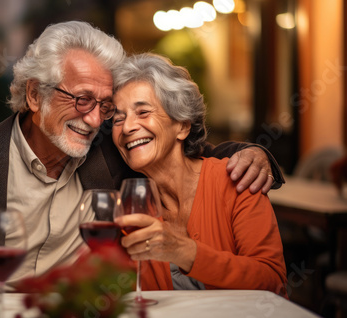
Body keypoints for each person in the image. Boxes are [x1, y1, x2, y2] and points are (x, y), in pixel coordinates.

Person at [0, 21, 284, 292]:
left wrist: (253, 152)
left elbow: (177, 148)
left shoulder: (110, 151)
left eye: (104, 105)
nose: (95, 119)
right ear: (34, 95)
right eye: (81, 99)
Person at [111, 53, 287, 295]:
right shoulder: (131, 206)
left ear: (182, 126)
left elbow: (272, 281)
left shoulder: (238, 180)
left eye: (143, 113)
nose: (127, 127)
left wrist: (184, 252)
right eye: (117, 119)